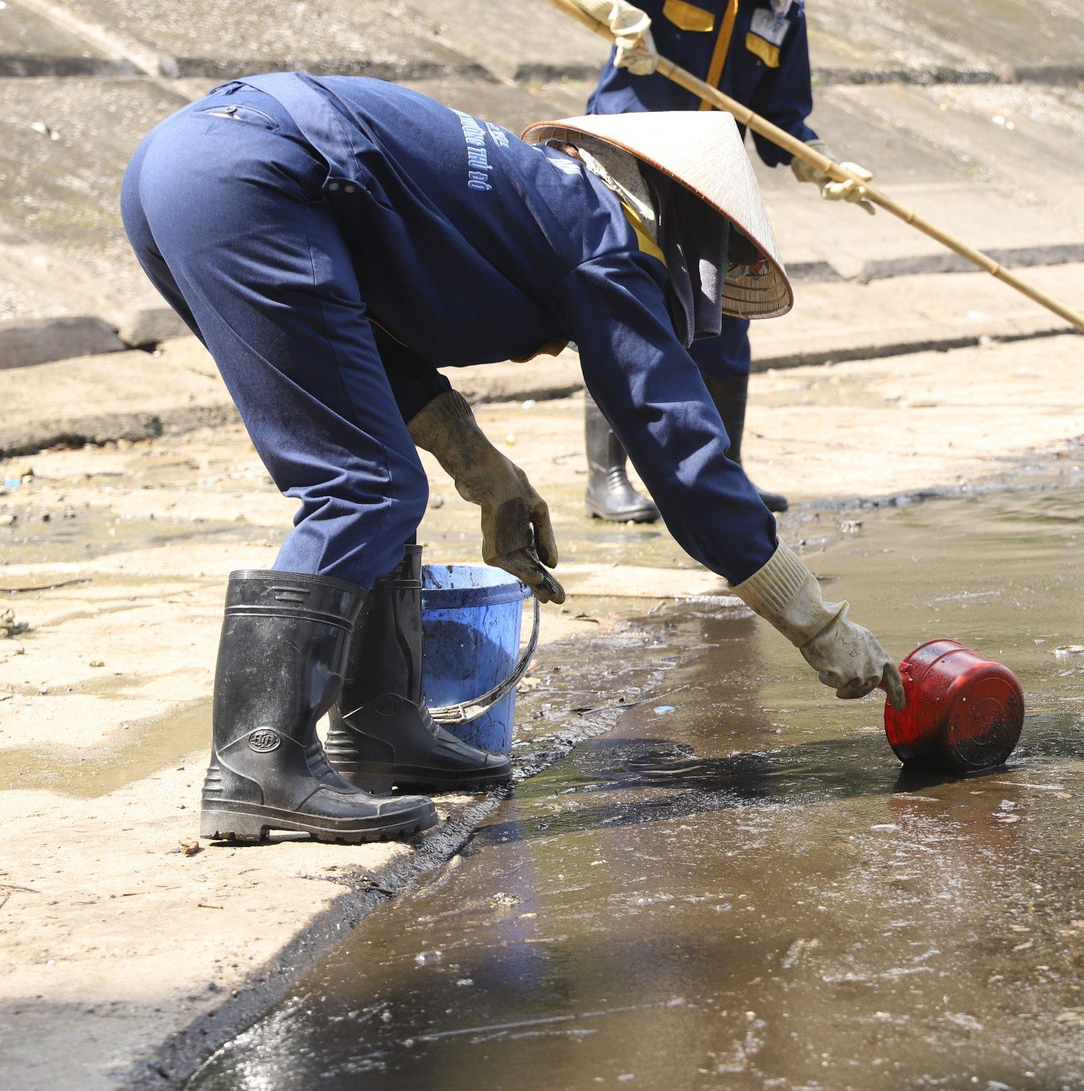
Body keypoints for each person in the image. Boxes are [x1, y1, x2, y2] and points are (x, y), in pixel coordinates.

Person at [120, 73, 904, 846]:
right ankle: (258, 764)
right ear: (689, 229)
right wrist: (815, 625)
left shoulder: (544, 198)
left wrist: (484, 471)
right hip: (253, 175)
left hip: (184, 169)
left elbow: (358, 344)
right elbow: (680, 453)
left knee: (378, 473)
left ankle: (381, 727)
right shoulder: (609, 241)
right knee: (365, 488)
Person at [534, 0, 874, 523]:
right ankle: (607, 480)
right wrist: (617, 13)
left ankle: (724, 481)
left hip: (711, 172)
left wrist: (824, 165)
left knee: (727, 322)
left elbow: (781, 120)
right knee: (624, 311)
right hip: (630, 159)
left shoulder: (784, 5)